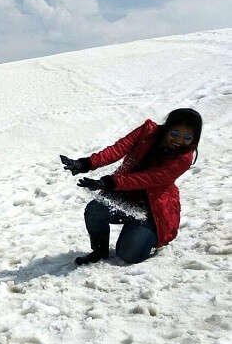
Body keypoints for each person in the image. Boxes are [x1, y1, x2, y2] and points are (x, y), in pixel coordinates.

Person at [60, 108, 202, 266]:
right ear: (166, 128)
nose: (179, 140)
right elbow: (117, 149)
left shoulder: (183, 158)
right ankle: (100, 250)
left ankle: (148, 236)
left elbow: (148, 179)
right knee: (95, 210)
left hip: (152, 211)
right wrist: (86, 163)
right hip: (125, 196)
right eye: (175, 134)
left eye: (187, 137)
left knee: (128, 255)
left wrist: (110, 182)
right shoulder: (147, 132)